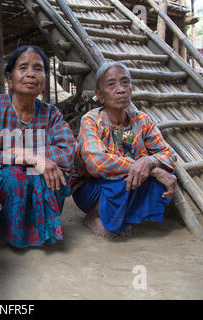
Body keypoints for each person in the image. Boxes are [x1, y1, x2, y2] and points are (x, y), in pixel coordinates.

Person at [0, 45, 76, 248]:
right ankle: (8, 231)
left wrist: (24, 154)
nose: (31, 74)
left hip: (39, 169)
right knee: (15, 178)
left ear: (45, 80)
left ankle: (39, 231)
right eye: (23, 68)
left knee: (53, 174)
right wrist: (32, 159)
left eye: (38, 68)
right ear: (9, 78)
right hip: (6, 177)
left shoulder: (51, 113)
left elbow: (67, 153)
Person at [72, 61, 178, 238]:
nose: (120, 89)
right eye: (111, 84)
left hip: (126, 181)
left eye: (125, 82)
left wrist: (150, 161)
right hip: (91, 188)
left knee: (164, 181)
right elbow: (96, 163)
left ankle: (121, 216)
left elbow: (169, 153)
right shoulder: (91, 120)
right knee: (129, 181)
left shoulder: (141, 120)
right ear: (100, 95)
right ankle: (95, 215)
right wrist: (151, 170)